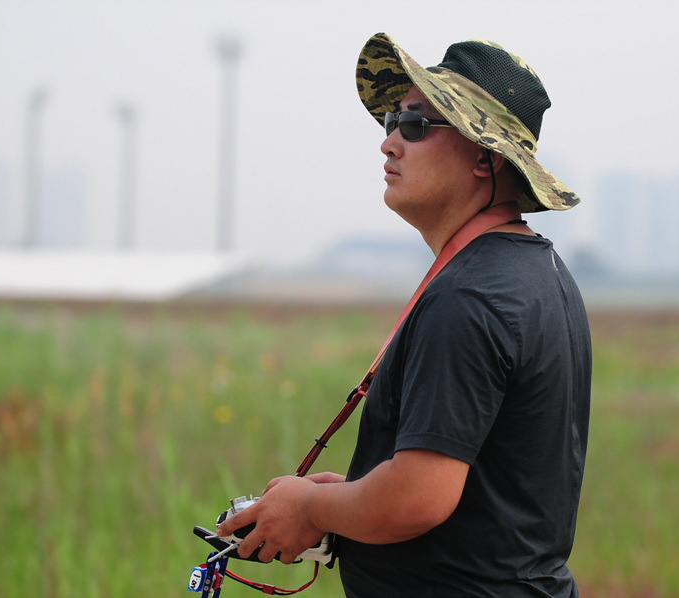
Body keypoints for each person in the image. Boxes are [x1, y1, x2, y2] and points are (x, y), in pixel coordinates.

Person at [217, 32, 592, 597]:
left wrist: (312, 507)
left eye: (414, 125)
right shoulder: (537, 273)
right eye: (393, 121)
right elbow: (484, 494)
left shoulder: (470, 297)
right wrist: (341, 499)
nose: (389, 143)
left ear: (485, 158)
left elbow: (418, 498)